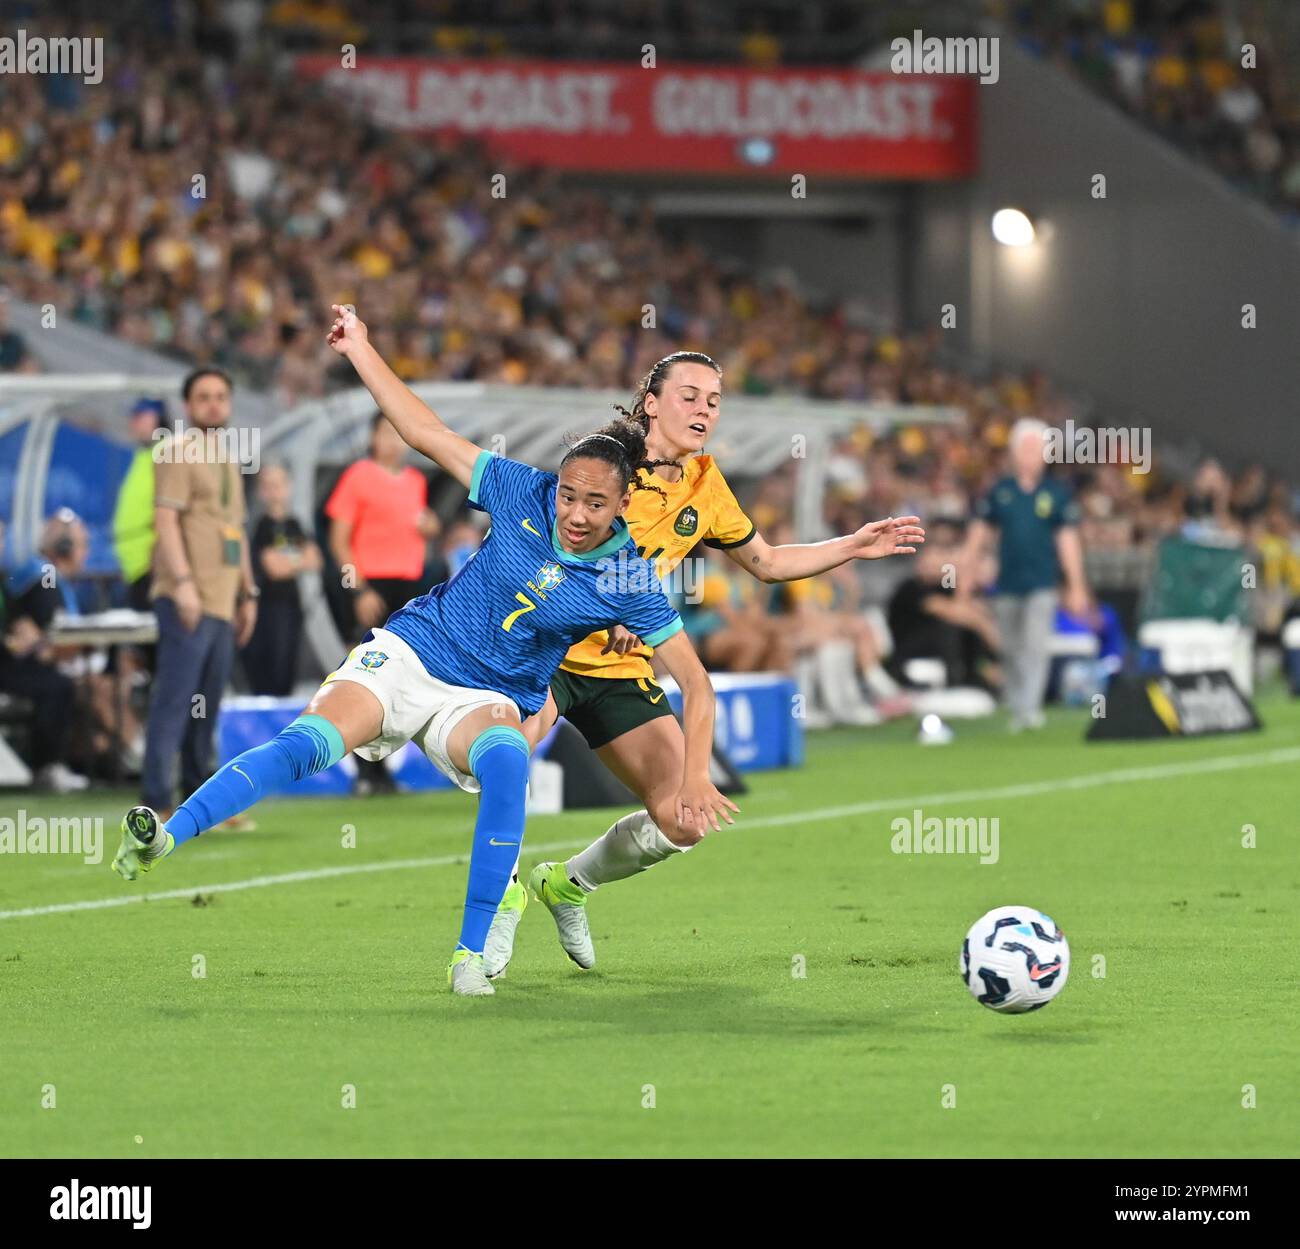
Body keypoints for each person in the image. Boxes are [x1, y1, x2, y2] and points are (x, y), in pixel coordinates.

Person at [112, 306, 735, 999]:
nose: (576, 513)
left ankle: (470, 955)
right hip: (413, 652)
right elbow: (422, 429)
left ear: (623, 507)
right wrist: (363, 349)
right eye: (568, 495)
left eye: (594, 503)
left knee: (508, 762)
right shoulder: (517, 488)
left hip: (485, 695)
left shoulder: (628, 579)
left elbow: (698, 684)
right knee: (309, 742)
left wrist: (697, 776)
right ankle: (169, 833)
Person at [484, 351, 924, 979]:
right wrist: (594, 604)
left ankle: (567, 885)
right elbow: (544, 538)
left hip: (622, 667)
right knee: (508, 761)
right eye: (689, 395)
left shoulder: (706, 486)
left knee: (683, 820)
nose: (703, 409)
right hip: (546, 647)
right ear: (652, 401)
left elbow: (768, 563)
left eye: (713, 400)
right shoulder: (604, 464)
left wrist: (851, 545)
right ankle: (502, 901)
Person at [140, 368, 259, 819]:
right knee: (173, 701)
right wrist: (184, 585)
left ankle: (197, 801)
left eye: (220, 397)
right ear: (188, 405)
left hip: (224, 600)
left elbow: (237, 530)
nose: (213, 404)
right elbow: (166, 521)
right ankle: (155, 801)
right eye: (204, 397)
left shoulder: (228, 456)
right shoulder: (175, 451)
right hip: (187, 596)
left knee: (205, 705)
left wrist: (249, 592)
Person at [325, 410, 439, 792]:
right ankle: (362, 773)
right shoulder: (358, 476)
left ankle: (382, 769)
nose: (393, 440)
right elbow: (339, 540)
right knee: (364, 676)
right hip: (370, 584)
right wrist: (358, 589)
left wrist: (430, 527)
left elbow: (423, 526)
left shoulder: (415, 481)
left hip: (408, 587)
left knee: (400, 679)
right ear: (373, 437)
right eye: (385, 432)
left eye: (398, 432)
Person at [961, 418, 1091, 732]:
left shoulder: (1056, 494)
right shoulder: (1000, 491)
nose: (1031, 454)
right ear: (1014, 452)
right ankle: (1017, 701)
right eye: (1026, 447)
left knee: (1034, 645)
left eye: (1037, 447)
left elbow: (1067, 540)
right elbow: (978, 534)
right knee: (1008, 646)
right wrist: (965, 573)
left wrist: (1076, 585)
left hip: (1042, 581)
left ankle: (1028, 708)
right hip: (1007, 582)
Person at [0, 515, 87, 791]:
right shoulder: (42, 577)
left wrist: (21, 635)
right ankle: (46, 766)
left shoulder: (5, 579)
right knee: (57, 685)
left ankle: (54, 765)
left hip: (9, 662)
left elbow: (18, 626)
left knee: (59, 682)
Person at [241, 463, 323, 696]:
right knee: (269, 670)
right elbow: (274, 568)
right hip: (267, 607)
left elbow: (316, 559)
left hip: (291, 606)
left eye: (279, 484)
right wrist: (298, 558)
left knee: (287, 668)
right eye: (269, 485)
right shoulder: (262, 527)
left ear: (289, 487)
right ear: (261, 491)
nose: (275, 491)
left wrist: (288, 561)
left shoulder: (295, 524)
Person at [112, 398, 169, 611]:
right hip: (135, 566)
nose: (133, 423)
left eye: (139, 417)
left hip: (152, 566)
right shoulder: (143, 455)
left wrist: (159, 555)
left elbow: (169, 508)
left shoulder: (166, 453)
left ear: (157, 418)